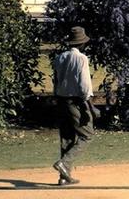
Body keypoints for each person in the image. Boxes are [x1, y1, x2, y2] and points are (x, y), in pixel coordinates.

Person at [52, 26, 95, 186]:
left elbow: (55, 81)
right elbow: (85, 86)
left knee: (67, 137)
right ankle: (65, 163)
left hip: (61, 100)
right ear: (82, 44)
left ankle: (64, 177)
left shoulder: (59, 58)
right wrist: (89, 107)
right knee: (87, 135)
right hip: (76, 102)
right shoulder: (81, 58)